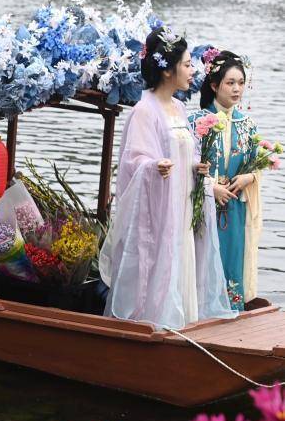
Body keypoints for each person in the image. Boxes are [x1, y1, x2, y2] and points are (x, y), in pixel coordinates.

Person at [99, 27, 235, 330]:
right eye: (187, 64)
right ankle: (155, 325)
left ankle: (185, 324)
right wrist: (152, 166)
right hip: (161, 212)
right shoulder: (144, 111)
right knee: (161, 263)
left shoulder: (180, 108)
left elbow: (185, 152)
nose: (192, 70)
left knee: (184, 260)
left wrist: (197, 167)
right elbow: (133, 162)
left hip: (183, 206)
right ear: (167, 70)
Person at [188, 50, 261, 311]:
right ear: (214, 85)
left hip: (234, 207)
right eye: (230, 83)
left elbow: (257, 164)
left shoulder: (248, 125)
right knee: (204, 260)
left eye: (241, 83)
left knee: (232, 261)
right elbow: (188, 167)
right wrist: (211, 188)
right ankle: (200, 310)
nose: (236, 89)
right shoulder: (195, 122)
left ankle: (232, 311)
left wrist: (248, 177)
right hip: (204, 206)